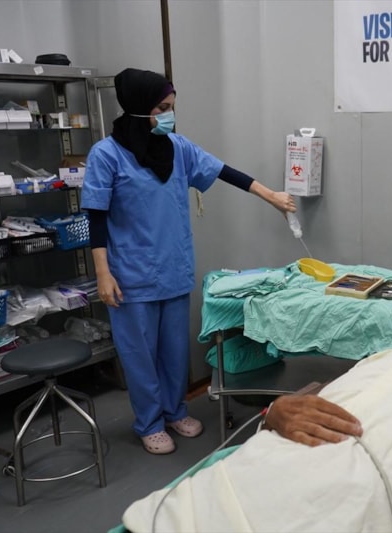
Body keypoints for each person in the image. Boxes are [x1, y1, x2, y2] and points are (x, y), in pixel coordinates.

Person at [121, 317, 392, 533]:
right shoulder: (390, 358)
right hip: (294, 457)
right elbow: (320, 399)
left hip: (387, 495)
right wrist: (275, 412)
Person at [81, 68, 296, 455]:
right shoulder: (107, 154)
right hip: (130, 275)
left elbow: (224, 171)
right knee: (139, 356)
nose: (170, 115)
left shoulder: (177, 149)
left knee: (174, 353)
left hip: (173, 268)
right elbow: (96, 215)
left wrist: (272, 197)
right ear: (138, 108)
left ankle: (175, 411)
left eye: (172, 107)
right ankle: (149, 423)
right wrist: (102, 273)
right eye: (162, 108)